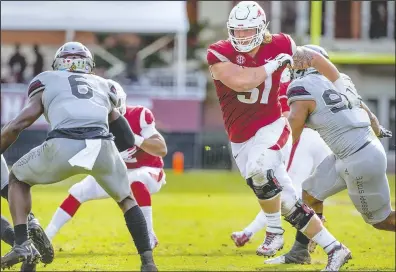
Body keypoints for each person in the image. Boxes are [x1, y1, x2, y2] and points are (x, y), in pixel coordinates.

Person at [206, 1, 352, 270]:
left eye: (247, 30)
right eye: (236, 31)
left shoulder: (281, 44)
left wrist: (342, 88)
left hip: (272, 123)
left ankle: (274, 232)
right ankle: (335, 248)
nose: (241, 37)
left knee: (259, 168)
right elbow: (242, 81)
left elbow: (315, 59)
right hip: (240, 137)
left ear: (262, 28)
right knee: (286, 201)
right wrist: (275, 65)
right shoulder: (219, 52)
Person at [0, 42, 157, 271]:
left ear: (58, 64)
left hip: (64, 142)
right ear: (89, 65)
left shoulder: (48, 79)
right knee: (126, 200)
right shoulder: (103, 84)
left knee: (17, 178)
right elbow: (125, 137)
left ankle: (22, 243)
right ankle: (148, 262)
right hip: (102, 146)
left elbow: (18, 124)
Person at [266, 44, 394, 265]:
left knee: (382, 220)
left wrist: (277, 153)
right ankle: (300, 252)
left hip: (357, 159)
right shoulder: (340, 80)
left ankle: (312, 250)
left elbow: (295, 123)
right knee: (310, 193)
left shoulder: (301, 86)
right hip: (355, 152)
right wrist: (378, 129)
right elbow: (367, 112)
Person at [45, 89, 167, 250]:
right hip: (117, 171)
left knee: (136, 181)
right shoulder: (95, 122)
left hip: (148, 170)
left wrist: (135, 139)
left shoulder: (139, 115)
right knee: (78, 191)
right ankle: (46, 236)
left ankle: (148, 235)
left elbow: (162, 149)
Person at [230, 68, 332, 256]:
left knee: (283, 193)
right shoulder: (330, 84)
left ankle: (258, 233)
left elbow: (288, 116)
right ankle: (314, 238)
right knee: (308, 193)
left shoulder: (293, 85)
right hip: (326, 141)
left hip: (305, 138)